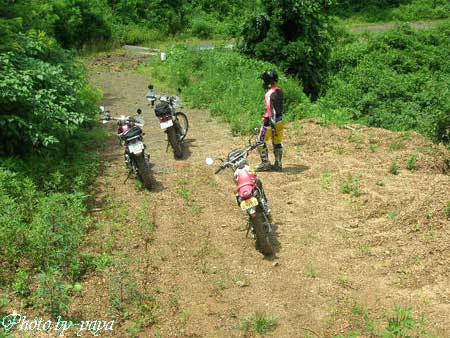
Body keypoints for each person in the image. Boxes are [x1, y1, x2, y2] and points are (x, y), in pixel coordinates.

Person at [255, 70, 284, 172]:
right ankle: (278, 164)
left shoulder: (269, 93)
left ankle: (265, 163)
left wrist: (272, 122)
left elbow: (271, 109)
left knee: (259, 141)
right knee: (277, 142)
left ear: (267, 81)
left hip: (271, 122)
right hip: (280, 120)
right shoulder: (279, 91)